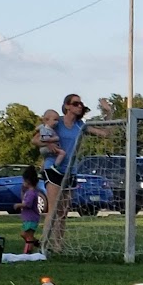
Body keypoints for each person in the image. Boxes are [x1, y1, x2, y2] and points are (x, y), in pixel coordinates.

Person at [31, 94, 112, 253]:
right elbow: (35, 140)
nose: (79, 106)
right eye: (75, 103)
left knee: (63, 212)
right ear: (67, 106)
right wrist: (50, 143)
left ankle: (58, 246)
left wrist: (109, 111)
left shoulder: (80, 126)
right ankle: (44, 246)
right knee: (54, 208)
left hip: (71, 171)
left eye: (81, 104)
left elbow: (106, 133)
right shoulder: (56, 122)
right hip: (53, 168)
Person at [13, 166, 41, 254]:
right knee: (25, 234)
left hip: (31, 218)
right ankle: (37, 243)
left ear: (28, 181)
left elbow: (27, 204)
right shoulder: (28, 192)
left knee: (28, 235)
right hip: (27, 218)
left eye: (24, 181)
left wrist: (18, 205)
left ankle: (28, 251)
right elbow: (24, 199)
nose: (23, 182)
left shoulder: (32, 193)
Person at [37, 109, 66, 174]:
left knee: (45, 159)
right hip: (47, 148)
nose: (57, 122)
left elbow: (36, 129)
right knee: (62, 153)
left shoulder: (42, 127)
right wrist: (55, 138)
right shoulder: (48, 129)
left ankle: (41, 172)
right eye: (55, 120)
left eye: (57, 120)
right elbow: (46, 139)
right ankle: (55, 166)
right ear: (47, 120)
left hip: (43, 149)